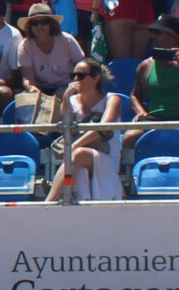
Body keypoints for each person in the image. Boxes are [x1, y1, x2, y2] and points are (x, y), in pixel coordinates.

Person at [48, 58, 131, 203]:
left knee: (78, 154)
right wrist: (66, 98)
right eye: (73, 75)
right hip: (76, 156)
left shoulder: (112, 99)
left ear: (96, 78)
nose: (75, 79)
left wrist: (73, 146)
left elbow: (102, 128)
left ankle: (49, 202)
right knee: (79, 166)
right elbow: (64, 125)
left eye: (81, 76)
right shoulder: (71, 101)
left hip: (106, 156)